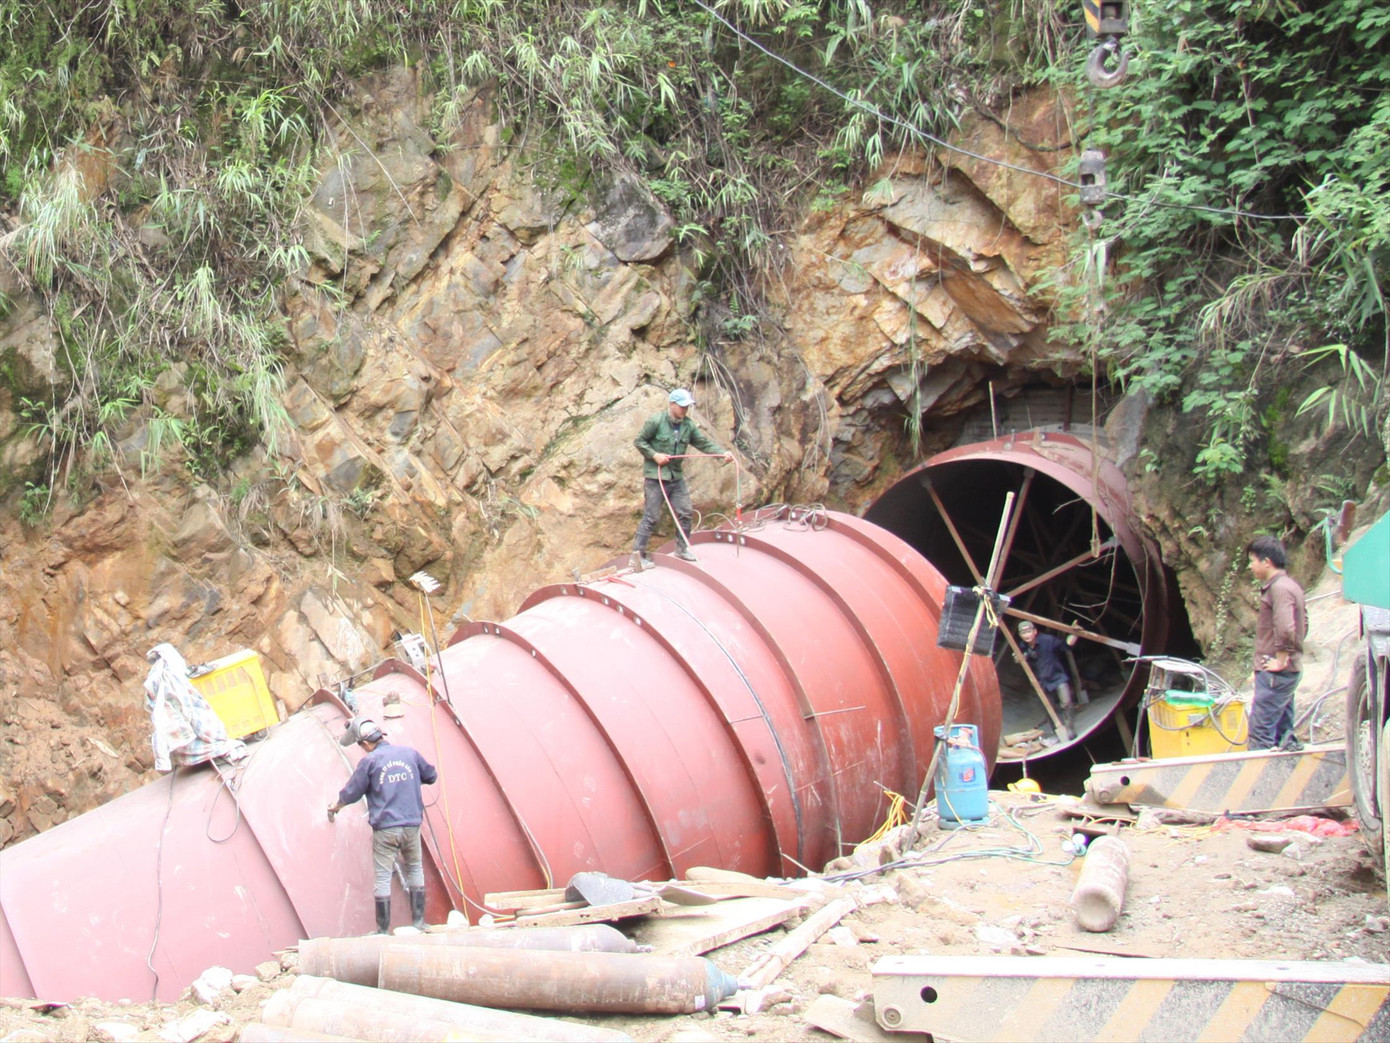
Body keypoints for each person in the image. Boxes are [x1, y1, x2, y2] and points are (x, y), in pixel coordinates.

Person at [327, 717, 438, 933]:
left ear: (365, 743)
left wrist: (335, 806)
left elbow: (352, 792)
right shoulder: (409, 754)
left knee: (383, 875)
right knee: (415, 867)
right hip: (411, 824)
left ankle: (383, 930)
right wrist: (409, 779)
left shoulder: (370, 762)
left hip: (386, 828)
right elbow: (431, 775)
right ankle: (419, 923)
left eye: (360, 745)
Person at [631, 387, 734, 569]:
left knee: (685, 512)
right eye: (682, 406)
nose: (685, 410)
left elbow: (703, 443)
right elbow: (639, 441)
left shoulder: (688, 425)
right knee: (651, 517)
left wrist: (721, 453)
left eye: (687, 406)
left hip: (676, 477)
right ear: (672, 404)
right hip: (656, 478)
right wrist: (654, 455)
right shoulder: (656, 421)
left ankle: (682, 548)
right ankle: (637, 556)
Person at [1246, 534, 1307, 751]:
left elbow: (1285, 626)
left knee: (1260, 732)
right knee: (1284, 735)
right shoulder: (1291, 586)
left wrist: (1281, 659)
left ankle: (1258, 782)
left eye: (1252, 561)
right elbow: (1304, 624)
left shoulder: (1279, 589)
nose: (1250, 566)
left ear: (1266, 562)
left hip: (1276, 674)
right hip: (1283, 672)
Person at [1017, 620, 1081, 736]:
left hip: (1057, 677)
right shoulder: (1022, 646)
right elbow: (1019, 658)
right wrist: (1018, 658)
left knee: (1066, 702)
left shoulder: (1047, 640)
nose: (1026, 635)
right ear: (1020, 635)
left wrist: (1074, 634)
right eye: (1023, 633)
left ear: (1035, 631)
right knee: (1050, 709)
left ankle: (1070, 729)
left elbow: (1065, 645)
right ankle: (1057, 732)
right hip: (1042, 682)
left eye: (1029, 631)